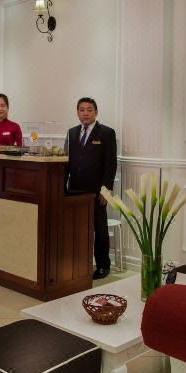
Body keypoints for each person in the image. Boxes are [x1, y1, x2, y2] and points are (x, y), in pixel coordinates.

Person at [65, 97, 117, 280]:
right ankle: (78, 263)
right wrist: (63, 186)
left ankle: (103, 265)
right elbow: (67, 161)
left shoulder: (107, 133)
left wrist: (106, 190)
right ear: (77, 113)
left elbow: (111, 164)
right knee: (76, 228)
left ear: (96, 112)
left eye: (89, 109)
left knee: (99, 229)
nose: (85, 113)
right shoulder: (72, 132)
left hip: (96, 191)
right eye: (81, 110)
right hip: (74, 189)